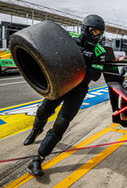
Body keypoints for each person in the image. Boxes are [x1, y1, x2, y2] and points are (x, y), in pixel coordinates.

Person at [23, 14, 106, 176]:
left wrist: (75, 62)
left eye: (100, 32)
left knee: (61, 123)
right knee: (43, 111)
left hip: (79, 90)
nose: (97, 35)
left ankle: (38, 159)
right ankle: (35, 130)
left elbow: (95, 75)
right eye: (94, 31)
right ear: (85, 29)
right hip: (61, 82)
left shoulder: (100, 51)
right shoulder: (70, 37)